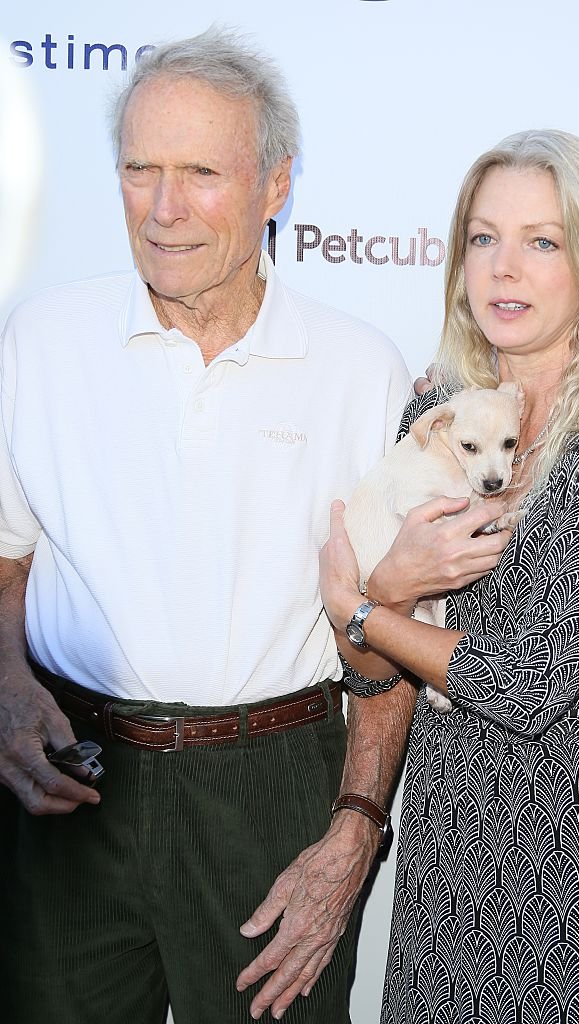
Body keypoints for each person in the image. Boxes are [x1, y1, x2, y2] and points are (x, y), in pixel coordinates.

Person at [0, 25, 478, 1024]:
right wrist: (6, 686)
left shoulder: (358, 369)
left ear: (275, 185)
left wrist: (353, 831)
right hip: (73, 790)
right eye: (140, 169)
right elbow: (8, 553)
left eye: (200, 173)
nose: (164, 209)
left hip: (272, 795)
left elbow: (385, 625)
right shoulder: (39, 342)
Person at [319, 128, 579, 1022]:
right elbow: (371, 680)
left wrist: (363, 606)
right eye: (483, 238)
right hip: (445, 841)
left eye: (541, 242)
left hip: (575, 859)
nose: (504, 269)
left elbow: (526, 683)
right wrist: (381, 605)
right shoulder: (437, 414)